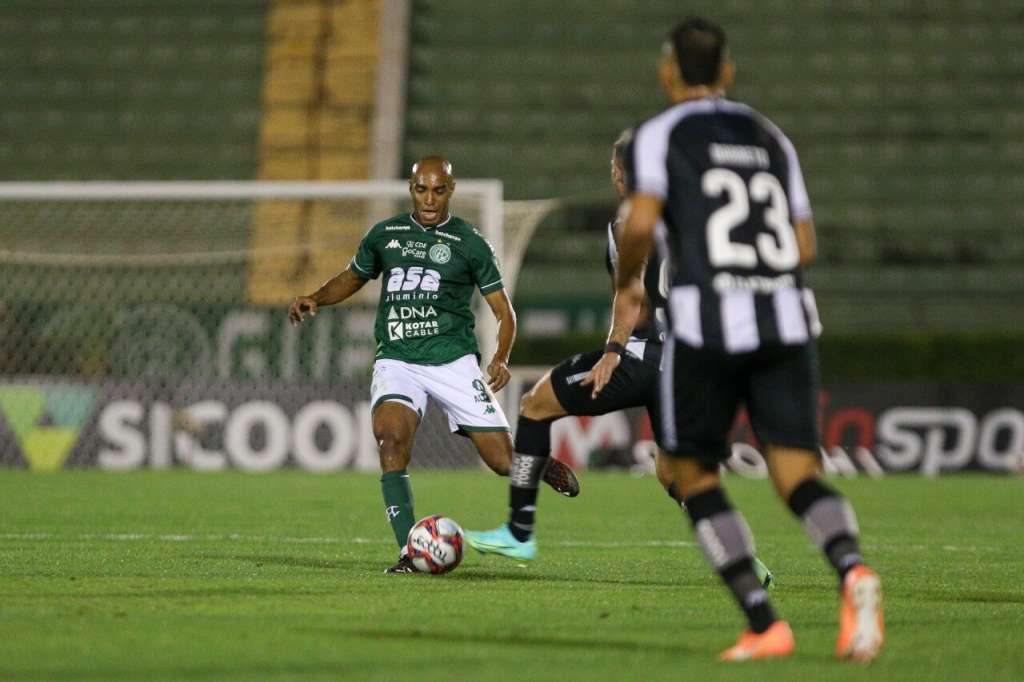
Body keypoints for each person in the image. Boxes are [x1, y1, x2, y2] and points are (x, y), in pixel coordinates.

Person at [599, 17, 885, 662]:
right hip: (786, 320)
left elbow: (640, 221)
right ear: (727, 71)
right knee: (795, 474)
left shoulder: (657, 133)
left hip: (707, 325)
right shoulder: (770, 136)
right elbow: (804, 242)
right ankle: (852, 570)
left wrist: (630, 280)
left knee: (689, 474)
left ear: (667, 71)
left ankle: (764, 623)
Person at [466, 132, 773, 588]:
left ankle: (519, 531)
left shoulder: (626, 223)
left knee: (534, 405)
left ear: (617, 173)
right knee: (674, 472)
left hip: (641, 359)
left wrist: (613, 351)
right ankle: (743, 559)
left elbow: (630, 298)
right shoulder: (702, 219)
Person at [288, 156, 579, 574]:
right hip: (398, 359)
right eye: (421, 189)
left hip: (453, 360)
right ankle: (410, 552)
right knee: (390, 440)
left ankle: (541, 465)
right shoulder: (385, 235)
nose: (429, 198)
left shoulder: (470, 243)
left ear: (451, 190)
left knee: (501, 461)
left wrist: (500, 356)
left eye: (438, 190)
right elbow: (354, 276)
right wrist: (315, 297)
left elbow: (504, 312)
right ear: (411, 189)